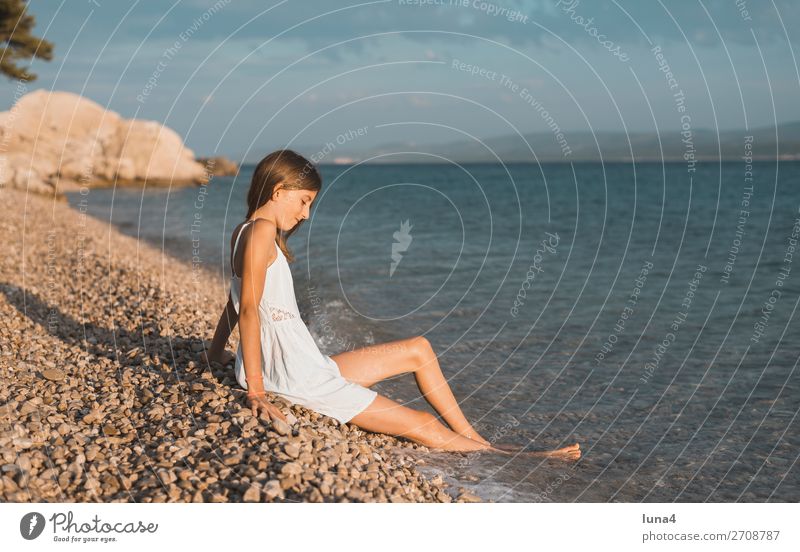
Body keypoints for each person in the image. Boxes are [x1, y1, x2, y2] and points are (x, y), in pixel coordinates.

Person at [207, 149, 580, 460]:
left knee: (419, 350)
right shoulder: (260, 232)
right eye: (304, 201)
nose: (305, 214)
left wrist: (215, 352)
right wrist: (255, 389)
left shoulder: (246, 230)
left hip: (306, 364)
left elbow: (234, 300)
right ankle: (510, 457)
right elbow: (250, 309)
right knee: (421, 422)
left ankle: (480, 442)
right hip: (292, 376)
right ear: (279, 191)